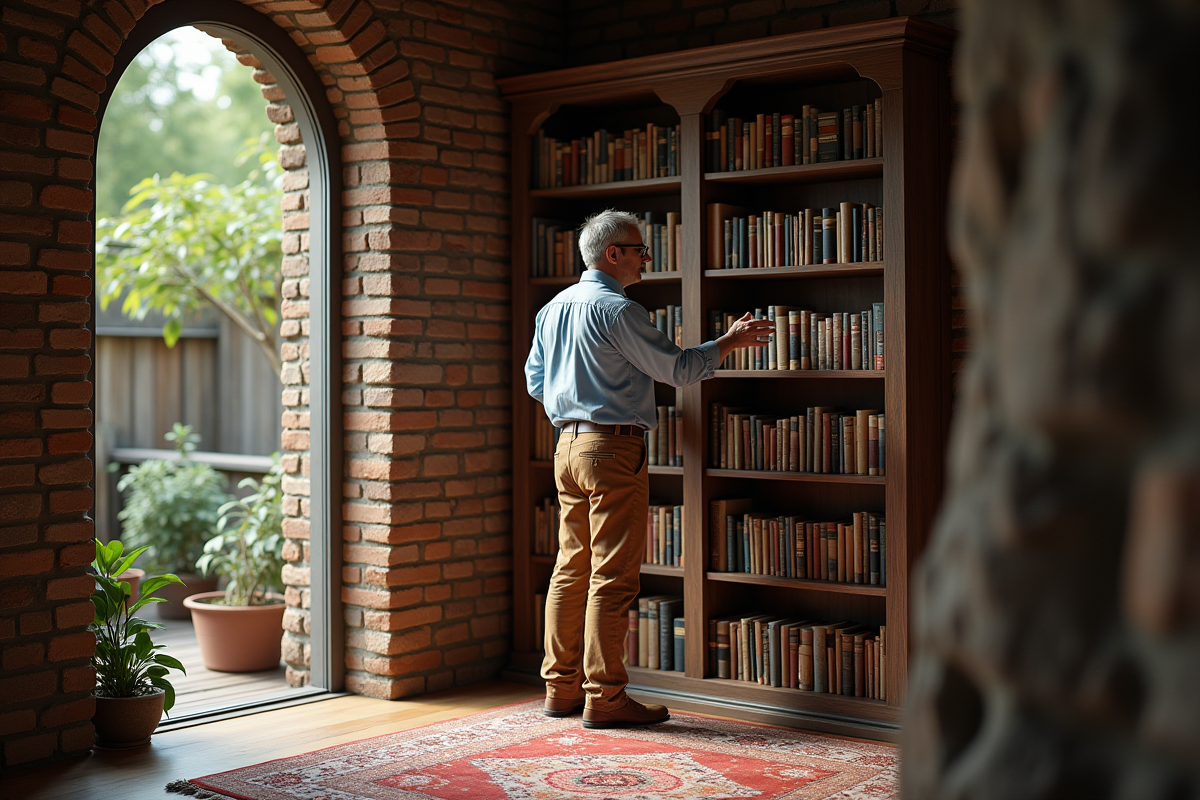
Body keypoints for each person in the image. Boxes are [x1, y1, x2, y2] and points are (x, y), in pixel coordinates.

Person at [524, 208, 777, 729]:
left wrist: (575, 396)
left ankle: (560, 687)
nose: (646, 257)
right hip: (612, 449)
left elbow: (534, 382)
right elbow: (680, 369)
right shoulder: (618, 310)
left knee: (570, 568)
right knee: (612, 577)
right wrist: (727, 342)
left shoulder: (553, 309)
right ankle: (606, 695)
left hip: (566, 448)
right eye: (640, 248)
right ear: (613, 254)